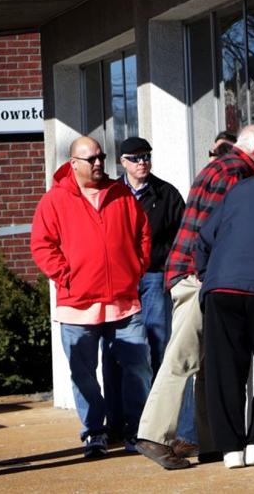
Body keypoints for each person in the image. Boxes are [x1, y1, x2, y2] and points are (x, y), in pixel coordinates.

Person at [135, 123, 254, 468]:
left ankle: (213, 441)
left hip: (193, 273)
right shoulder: (238, 174)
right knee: (183, 357)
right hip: (197, 275)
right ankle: (154, 435)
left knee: (211, 361)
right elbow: (224, 229)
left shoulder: (219, 166)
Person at [30, 136, 163, 462]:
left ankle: (136, 431)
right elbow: (41, 245)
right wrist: (68, 278)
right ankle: (94, 432)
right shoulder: (54, 200)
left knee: (138, 369)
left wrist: (135, 268)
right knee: (84, 374)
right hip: (77, 306)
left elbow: (142, 233)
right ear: (73, 163)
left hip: (123, 301)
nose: (99, 163)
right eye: (91, 159)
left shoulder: (121, 194)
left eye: (101, 157)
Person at [195, 167, 254, 469]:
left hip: (221, 287)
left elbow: (204, 238)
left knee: (225, 370)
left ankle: (231, 449)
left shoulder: (240, 189)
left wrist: (208, 275)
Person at [102, 136, 185, 443]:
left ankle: (154, 426)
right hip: (118, 281)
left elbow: (182, 236)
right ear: (122, 162)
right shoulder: (111, 194)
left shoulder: (166, 194)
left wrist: (170, 271)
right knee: (114, 350)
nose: (143, 163)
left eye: (147, 156)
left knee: (157, 344)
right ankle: (116, 424)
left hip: (153, 277)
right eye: (136, 158)